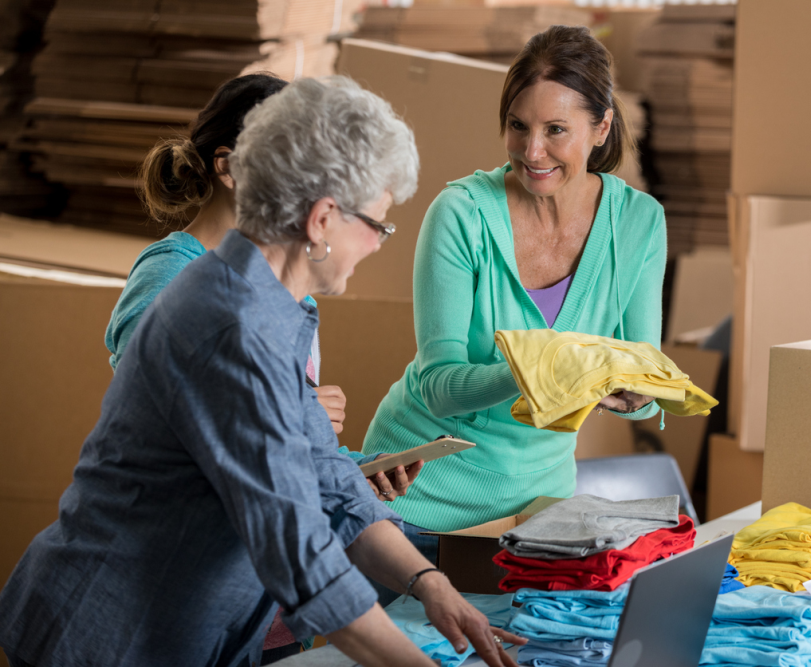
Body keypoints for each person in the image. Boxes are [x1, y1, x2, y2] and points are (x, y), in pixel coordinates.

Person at [0, 76, 522, 667]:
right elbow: (299, 551)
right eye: (378, 225)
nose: (378, 245)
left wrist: (432, 585)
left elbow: (327, 474)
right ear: (323, 219)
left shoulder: (270, 304)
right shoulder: (230, 327)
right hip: (109, 639)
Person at [103, 73, 419, 662]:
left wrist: (347, 470)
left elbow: (283, 454)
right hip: (163, 607)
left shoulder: (292, 295)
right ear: (230, 168)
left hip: (249, 607)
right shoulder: (183, 287)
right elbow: (192, 445)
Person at [361, 25, 666, 570]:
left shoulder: (639, 223)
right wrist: (541, 369)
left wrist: (633, 390)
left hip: (537, 506)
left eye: (555, 130)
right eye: (517, 126)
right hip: (415, 500)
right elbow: (436, 388)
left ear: (601, 128)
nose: (532, 151)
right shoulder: (461, 214)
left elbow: (640, 362)